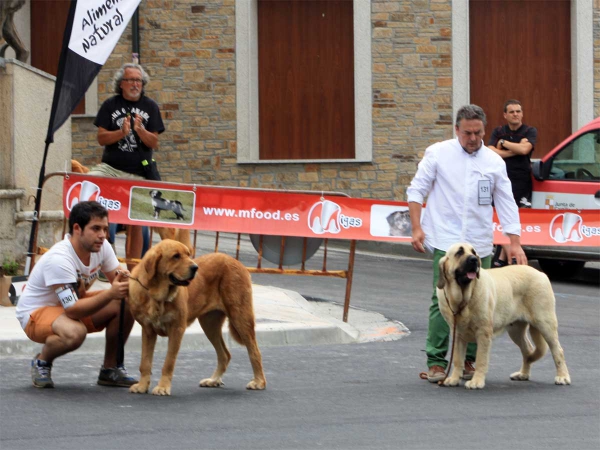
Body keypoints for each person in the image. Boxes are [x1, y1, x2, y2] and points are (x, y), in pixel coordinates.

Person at [407, 104, 527, 383]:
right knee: (442, 301)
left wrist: (514, 242)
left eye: (478, 133)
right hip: (446, 241)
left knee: (479, 303)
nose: (473, 138)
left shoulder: (494, 161)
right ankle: (437, 362)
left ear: (485, 130)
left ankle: (470, 362)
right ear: (456, 130)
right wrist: (416, 227)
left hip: (479, 244)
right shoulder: (438, 153)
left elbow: (507, 202)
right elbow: (416, 190)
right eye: (467, 133)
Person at [15, 201, 137, 388]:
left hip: (70, 307)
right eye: (96, 229)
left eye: (105, 229)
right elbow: (72, 310)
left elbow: (120, 281)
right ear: (77, 228)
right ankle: (42, 362)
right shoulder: (60, 259)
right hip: (36, 313)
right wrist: (111, 293)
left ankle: (110, 370)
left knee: (125, 302)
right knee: (74, 332)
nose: (102, 235)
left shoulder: (102, 247)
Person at [89, 62, 165, 270]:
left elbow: (154, 143)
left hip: (139, 173)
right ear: (121, 83)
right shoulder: (110, 105)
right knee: (88, 184)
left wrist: (140, 131)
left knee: (137, 220)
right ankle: (103, 256)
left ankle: (133, 270)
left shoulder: (150, 107)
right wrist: (121, 133)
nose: (135, 84)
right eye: (130, 80)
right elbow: (101, 138)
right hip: (111, 169)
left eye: (138, 80)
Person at [488, 99, 537, 266]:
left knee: (515, 218)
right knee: (499, 217)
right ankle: (507, 257)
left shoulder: (530, 131)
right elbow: (491, 152)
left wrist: (503, 144)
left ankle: (504, 257)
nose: (515, 114)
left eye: (518, 111)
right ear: (505, 115)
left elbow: (525, 150)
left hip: (521, 181)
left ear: (522, 114)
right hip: (500, 180)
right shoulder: (498, 130)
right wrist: (515, 150)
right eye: (511, 112)